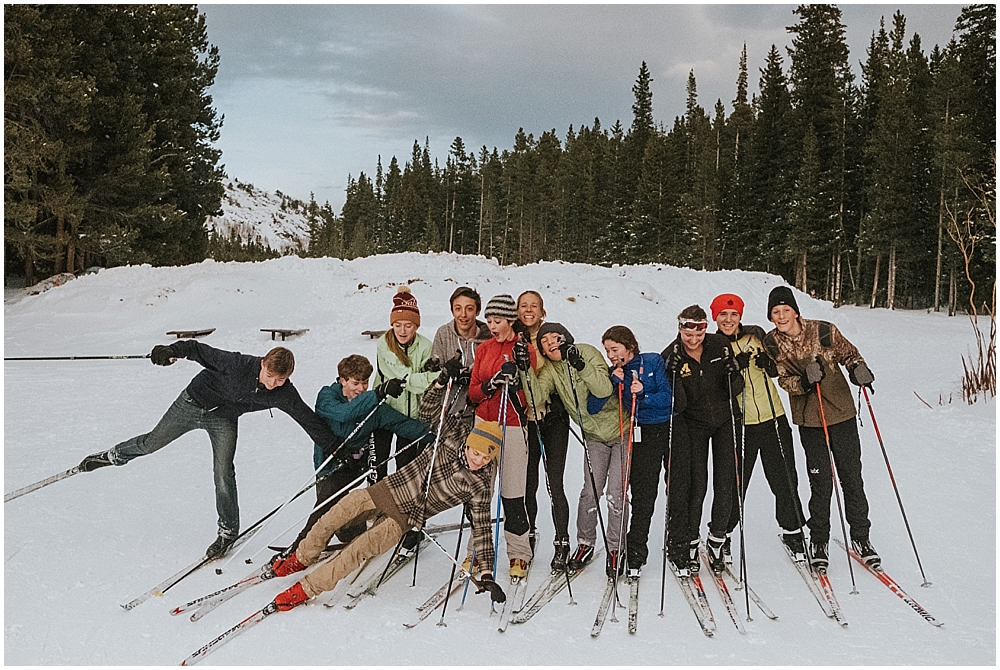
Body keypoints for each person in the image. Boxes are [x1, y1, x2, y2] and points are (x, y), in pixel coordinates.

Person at [78, 343, 339, 558]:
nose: (272, 384)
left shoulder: (284, 393)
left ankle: (227, 532)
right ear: (262, 365)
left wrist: (335, 447)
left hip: (223, 419)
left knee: (223, 471)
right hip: (192, 404)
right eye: (270, 376)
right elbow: (197, 349)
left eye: (280, 379)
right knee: (151, 443)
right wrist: (170, 351)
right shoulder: (237, 364)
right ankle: (113, 455)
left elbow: (307, 419)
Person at [266, 381, 506, 612]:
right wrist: (439, 384)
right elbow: (428, 410)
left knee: (357, 550)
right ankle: (302, 556)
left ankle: (307, 588)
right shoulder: (453, 434)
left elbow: (482, 527)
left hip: (404, 518)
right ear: (469, 444)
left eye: (486, 458)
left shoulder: (480, 483)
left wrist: (487, 573)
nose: (479, 461)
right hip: (387, 489)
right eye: (476, 453)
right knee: (334, 514)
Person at [762, 286, 880, 571]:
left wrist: (858, 371)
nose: (780, 316)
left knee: (852, 477)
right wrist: (803, 381)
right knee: (821, 482)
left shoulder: (824, 330)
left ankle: (861, 537)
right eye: (775, 312)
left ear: (795, 311)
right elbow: (783, 380)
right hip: (810, 419)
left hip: (841, 413)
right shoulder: (772, 343)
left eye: (785, 310)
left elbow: (849, 354)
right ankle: (819, 539)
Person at [285, 354, 435, 554]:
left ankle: (300, 548)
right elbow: (344, 413)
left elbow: (402, 424)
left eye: (365, 383)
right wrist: (376, 394)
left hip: (353, 466)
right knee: (337, 518)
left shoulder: (373, 406)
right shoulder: (327, 396)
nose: (362, 388)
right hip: (329, 464)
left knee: (326, 505)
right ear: (342, 380)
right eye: (356, 383)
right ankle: (353, 535)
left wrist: (434, 434)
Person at [710, 293, 807, 559]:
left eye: (733, 315)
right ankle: (722, 534)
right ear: (715, 317)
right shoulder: (712, 346)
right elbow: (713, 385)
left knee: (785, 476)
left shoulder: (757, 336)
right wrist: (732, 369)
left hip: (773, 416)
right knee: (735, 482)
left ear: (740, 316)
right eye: (723, 315)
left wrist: (770, 365)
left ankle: (793, 531)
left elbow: (780, 366)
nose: (728, 320)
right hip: (740, 422)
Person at [529, 322, 626, 578]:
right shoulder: (550, 370)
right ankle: (586, 542)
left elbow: (604, 389)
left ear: (565, 337)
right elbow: (535, 397)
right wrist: (525, 369)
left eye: (555, 337)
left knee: (616, 492)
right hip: (593, 436)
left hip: (620, 431)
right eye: (545, 342)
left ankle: (616, 547)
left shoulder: (586, 351)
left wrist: (580, 365)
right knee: (590, 491)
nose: (551, 343)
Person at [662, 305, 744, 575]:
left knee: (726, 480)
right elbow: (676, 403)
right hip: (693, 425)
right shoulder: (671, 355)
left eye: (699, 331)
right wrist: (672, 376)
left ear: (705, 328)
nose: (694, 338)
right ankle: (690, 540)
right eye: (688, 331)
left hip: (723, 421)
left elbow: (734, 388)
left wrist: (734, 374)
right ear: (680, 327)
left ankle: (717, 539)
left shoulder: (719, 345)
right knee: (697, 484)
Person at [602, 325, 688, 580]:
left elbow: (667, 396)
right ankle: (636, 551)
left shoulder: (651, 360)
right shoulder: (616, 374)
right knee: (643, 493)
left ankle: (679, 548)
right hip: (642, 432)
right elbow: (604, 405)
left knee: (678, 487)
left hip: (670, 425)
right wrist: (614, 383)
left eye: (615, 349)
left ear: (629, 346)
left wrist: (644, 394)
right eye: (607, 350)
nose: (611, 354)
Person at [467, 294, 536, 580]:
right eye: (490, 321)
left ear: (510, 320)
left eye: (497, 321)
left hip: (513, 423)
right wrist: (490, 384)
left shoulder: (524, 348)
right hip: (484, 422)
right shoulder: (483, 348)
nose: (492, 326)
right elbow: (472, 392)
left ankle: (519, 552)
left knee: (512, 492)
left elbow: (533, 390)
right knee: (481, 490)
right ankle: (477, 550)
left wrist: (519, 376)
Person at [516, 290, 572, 568]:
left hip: (552, 417)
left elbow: (562, 367)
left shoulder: (550, 335)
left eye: (534, 306)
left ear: (542, 310)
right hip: (524, 418)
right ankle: (529, 531)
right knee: (528, 480)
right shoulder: (513, 336)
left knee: (555, 481)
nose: (529, 310)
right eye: (523, 306)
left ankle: (562, 539)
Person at [373, 286, 438, 482]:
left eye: (408, 325)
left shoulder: (426, 346)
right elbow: (406, 381)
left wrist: (430, 375)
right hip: (384, 412)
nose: (402, 330)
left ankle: (399, 510)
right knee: (379, 468)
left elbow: (425, 385)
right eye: (398, 324)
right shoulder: (384, 344)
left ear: (416, 326)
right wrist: (435, 377)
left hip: (411, 417)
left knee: (405, 471)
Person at [430, 286, 491, 423]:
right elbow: (433, 370)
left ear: (477, 311)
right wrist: (445, 370)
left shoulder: (488, 337)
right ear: (452, 311)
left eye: (469, 309)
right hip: (451, 409)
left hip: (482, 410)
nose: (463, 315)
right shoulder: (443, 333)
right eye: (458, 308)